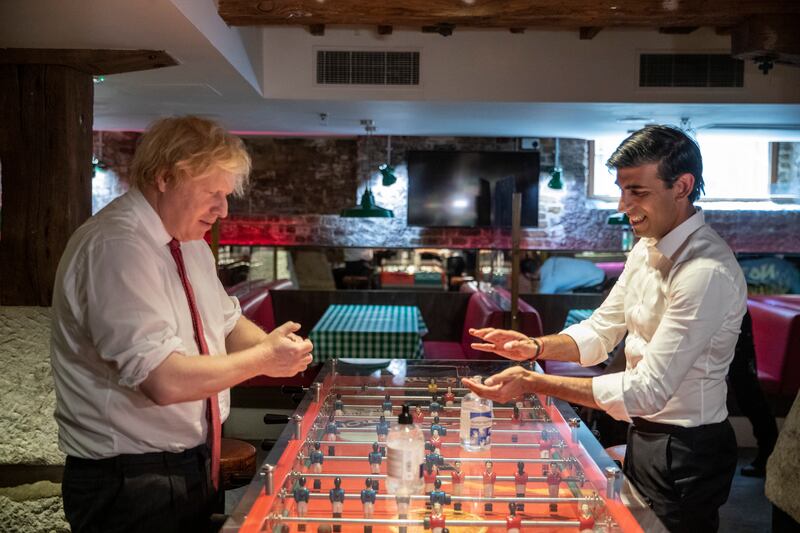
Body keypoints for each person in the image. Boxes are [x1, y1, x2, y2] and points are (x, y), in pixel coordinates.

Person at [463, 125, 746, 533]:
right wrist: (532, 347)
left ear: (682, 186)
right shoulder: (646, 248)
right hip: (646, 436)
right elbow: (599, 331)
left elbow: (647, 391)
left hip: (687, 449)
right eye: (622, 189)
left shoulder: (705, 271)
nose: (623, 204)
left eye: (638, 192)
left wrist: (533, 383)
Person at [50, 116, 314, 533]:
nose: (224, 209)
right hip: (129, 480)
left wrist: (277, 346)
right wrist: (264, 359)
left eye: (226, 195)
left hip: (188, 463)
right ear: (165, 177)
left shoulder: (190, 244)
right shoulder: (116, 247)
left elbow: (226, 324)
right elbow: (163, 381)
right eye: (213, 193)